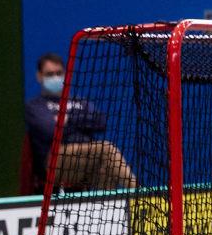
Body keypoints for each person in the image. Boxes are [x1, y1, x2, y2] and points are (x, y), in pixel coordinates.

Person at [24, 52, 135, 191]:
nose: (55, 77)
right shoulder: (35, 106)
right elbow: (51, 130)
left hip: (86, 157)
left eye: (59, 73)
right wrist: (80, 122)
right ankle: (139, 194)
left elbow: (101, 122)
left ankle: (104, 209)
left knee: (105, 167)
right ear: (39, 77)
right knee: (106, 149)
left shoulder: (80, 101)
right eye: (50, 74)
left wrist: (68, 119)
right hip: (56, 160)